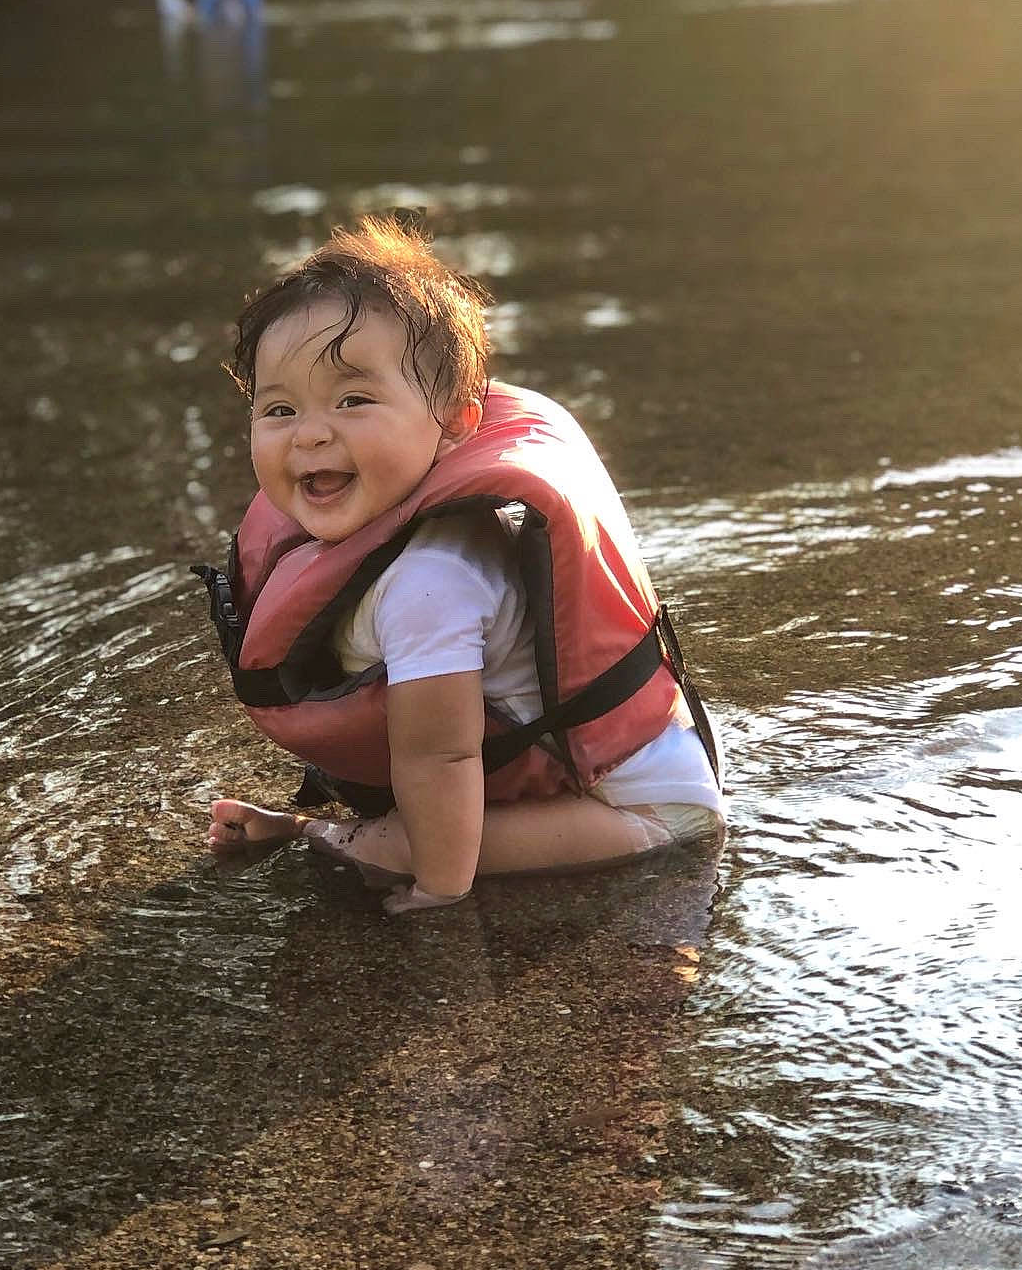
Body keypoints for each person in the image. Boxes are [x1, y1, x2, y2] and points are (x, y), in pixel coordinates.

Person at [192, 218, 724, 916]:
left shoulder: (430, 581)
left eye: (354, 400)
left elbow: (439, 761)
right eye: (279, 408)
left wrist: (438, 890)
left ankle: (314, 834)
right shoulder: (384, 539)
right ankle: (325, 833)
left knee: (407, 843)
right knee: (412, 825)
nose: (311, 432)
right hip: (595, 774)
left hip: (645, 809)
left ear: (453, 423)